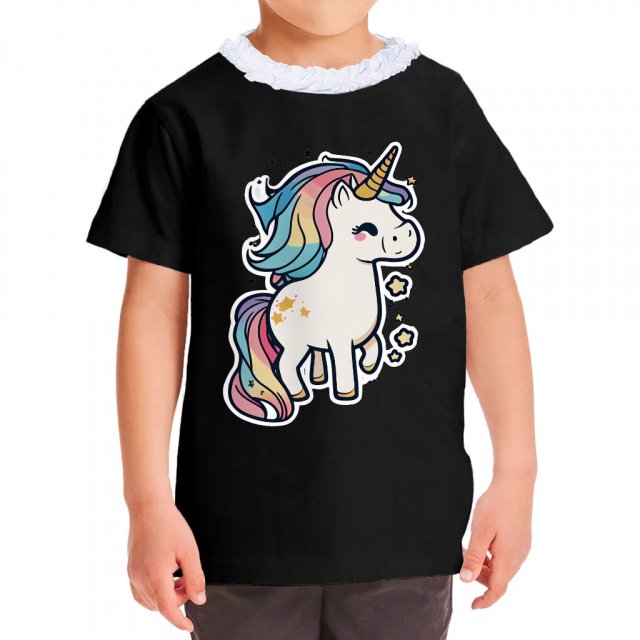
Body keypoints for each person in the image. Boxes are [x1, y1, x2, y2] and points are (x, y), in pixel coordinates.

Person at [87, 1, 552, 638]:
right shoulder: (183, 117)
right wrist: (146, 503)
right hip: (235, 538)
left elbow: (490, 296)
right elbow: (153, 310)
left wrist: (518, 475)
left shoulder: (443, 106)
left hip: (408, 528)